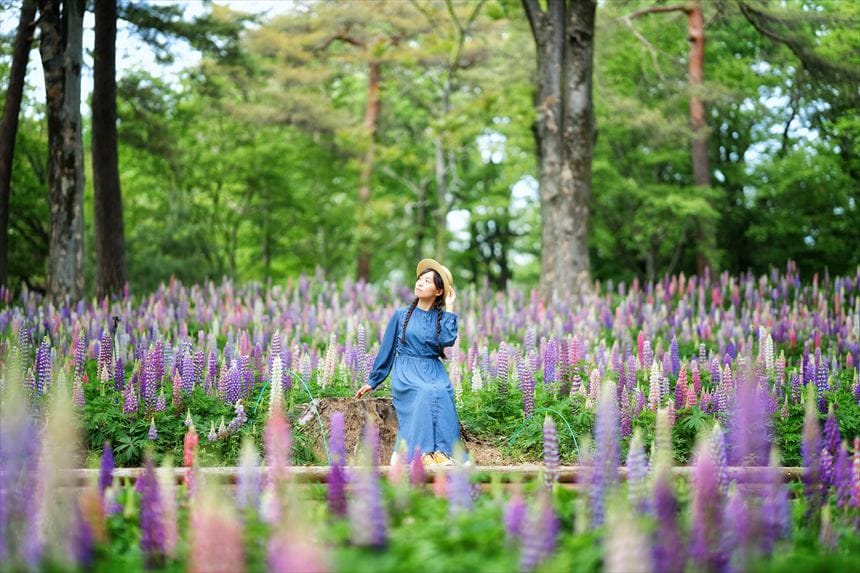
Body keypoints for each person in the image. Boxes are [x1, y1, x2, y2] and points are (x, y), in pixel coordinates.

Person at [354, 258, 466, 467]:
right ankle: (420, 453)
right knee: (424, 393)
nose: (420, 283)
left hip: (433, 370)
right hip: (407, 371)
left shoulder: (442, 318)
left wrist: (450, 308)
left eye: (427, 281)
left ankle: (442, 452)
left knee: (442, 392)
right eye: (420, 279)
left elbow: (447, 341)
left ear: (439, 292)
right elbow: (386, 349)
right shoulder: (401, 315)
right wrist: (373, 380)